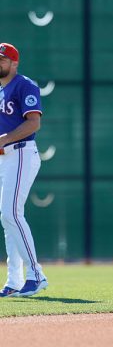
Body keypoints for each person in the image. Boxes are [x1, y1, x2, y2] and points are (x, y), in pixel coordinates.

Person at [0, 43, 48, 297]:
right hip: (6, 158)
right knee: (7, 218)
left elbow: (34, 123)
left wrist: (4, 139)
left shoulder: (24, 85)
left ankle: (36, 275)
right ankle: (14, 281)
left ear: (14, 63)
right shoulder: (0, 89)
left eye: (2, 59)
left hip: (21, 152)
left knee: (11, 214)